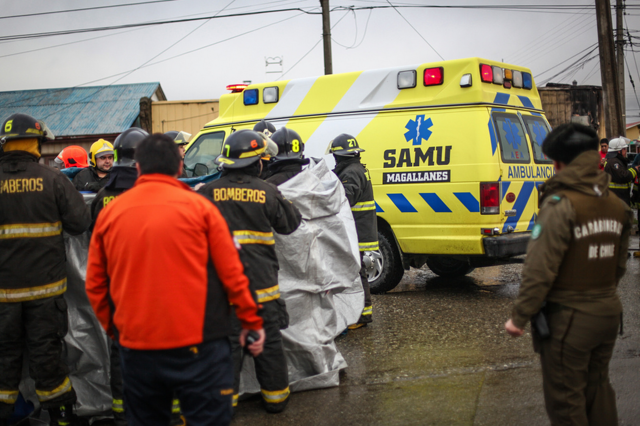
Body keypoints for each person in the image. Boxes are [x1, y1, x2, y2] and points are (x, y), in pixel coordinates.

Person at [85, 134, 265, 426]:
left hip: (139, 348)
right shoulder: (202, 209)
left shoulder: (110, 214)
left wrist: (118, 331)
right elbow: (233, 273)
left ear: (139, 168)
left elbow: (95, 284)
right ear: (179, 168)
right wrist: (252, 322)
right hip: (201, 346)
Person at [505, 123, 632, 426]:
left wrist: (520, 317)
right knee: (599, 390)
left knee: (566, 403)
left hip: (570, 321)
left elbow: (539, 269)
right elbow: (619, 264)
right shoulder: (616, 206)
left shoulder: (560, 204)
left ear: (560, 162)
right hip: (608, 312)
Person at [197, 129, 302, 413]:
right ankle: (276, 400)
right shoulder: (267, 191)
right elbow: (291, 224)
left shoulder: (205, 195)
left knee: (225, 351)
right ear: (257, 163)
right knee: (268, 347)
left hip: (222, 295)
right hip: (262, 292)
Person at [0, 113, 91, 426]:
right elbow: (80, 223)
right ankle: (61, 418)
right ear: (36, 143)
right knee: (47, 358)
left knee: (5, 359)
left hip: (3, 297)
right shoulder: (53, 180)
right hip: (45, 293)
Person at [328, 134, 377, 329]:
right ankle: (360, 313)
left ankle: (362, 316)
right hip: (360, 231)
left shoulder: (350, 173)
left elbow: (344, 200)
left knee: (357, 275)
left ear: (340, 156)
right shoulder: (356, 169)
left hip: (358, 233)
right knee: (358, 273)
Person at [91, 128, 148, 226]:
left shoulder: (103, 194)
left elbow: (94, 228)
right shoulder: (155, 193)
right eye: (103, 157)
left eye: (110, 157)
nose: (107, 161)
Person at [603, 136, 638, 205]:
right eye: (624, 149)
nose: (626, 151)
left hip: (619, 197)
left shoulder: (615, 160)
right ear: (619, 151)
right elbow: (623, 176)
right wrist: (635, 170)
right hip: (617, 199)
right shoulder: (614, 162)